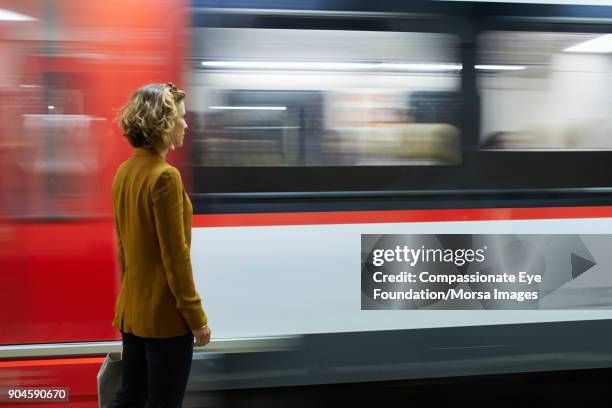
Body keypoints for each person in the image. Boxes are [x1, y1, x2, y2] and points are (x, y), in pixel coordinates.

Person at [109, 82, 211, 408]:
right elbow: (176, 257)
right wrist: (196, 317)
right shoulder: (165, 176)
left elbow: (123, 247)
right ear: (164, 123)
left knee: (130, 396)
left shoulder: (124, 172)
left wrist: (132, 302)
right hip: (165, 320)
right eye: (180, 117)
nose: (186, 124)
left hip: (132, 313)